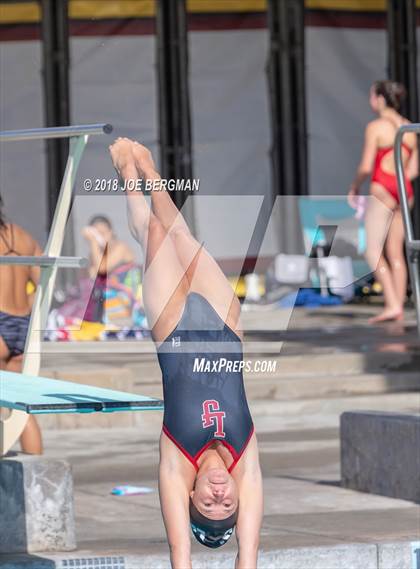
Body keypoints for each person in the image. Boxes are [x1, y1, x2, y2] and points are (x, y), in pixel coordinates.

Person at [109, 138, 263, 569]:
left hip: (173, 328)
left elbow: (181, 553)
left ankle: (127, 174)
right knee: (181, 233)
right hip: (225, 328)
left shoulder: (177, 460)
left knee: (155, 233)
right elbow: (247, 555)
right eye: (227, 508)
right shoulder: (245, 458)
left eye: (208, 506)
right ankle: (152, 173)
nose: (220, 498)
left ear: (189, 496)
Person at [348, 80, 419, 323]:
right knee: (396, 252)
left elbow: (367, 166)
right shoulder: (409, 127)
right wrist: (398, 185)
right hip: (403, 189)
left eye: (371, 96)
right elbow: (414, 169)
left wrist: (355, 186)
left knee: (372, 250)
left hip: (382, 188)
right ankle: (398, 304)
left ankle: (391, 303)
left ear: (380, 99)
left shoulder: (376, 127)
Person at [0, 194, 43, 454]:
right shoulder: (23, 237)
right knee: (21, 407)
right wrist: (25, 308)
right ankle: (36, 481)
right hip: (23, 324)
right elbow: (43, 284)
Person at [82, 215, 135, 322]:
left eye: (102, 233)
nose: (99, 238)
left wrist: (93, 242)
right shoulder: (96, 253)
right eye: (96, 235)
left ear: (111, 233)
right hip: (106, 302)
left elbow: (101, 270)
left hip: (126, 303)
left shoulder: (121, 247)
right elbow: (92, 276)